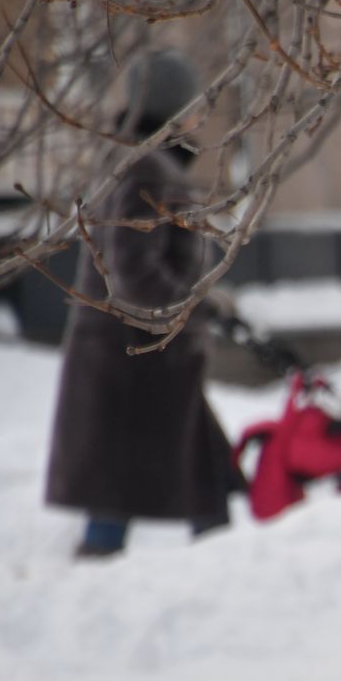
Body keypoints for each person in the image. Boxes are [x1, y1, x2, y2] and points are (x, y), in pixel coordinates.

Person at [44, 50, 237, 557]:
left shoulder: (136, 163)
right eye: (192, 105)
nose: (199, 115)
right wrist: (198, 305)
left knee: (164, 474)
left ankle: (211, 560)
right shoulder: (146, 169)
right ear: (174, 107)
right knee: (131, 479)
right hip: (135, 358)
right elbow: (133, 274)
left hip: (141, 359)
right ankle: (205, 566)